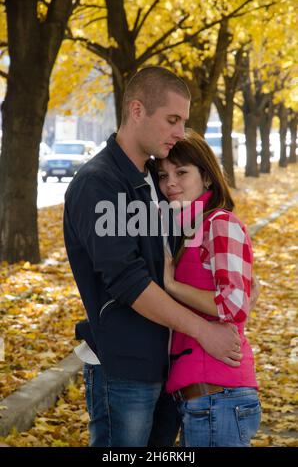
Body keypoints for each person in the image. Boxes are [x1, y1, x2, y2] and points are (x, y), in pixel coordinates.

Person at [63, 66, 250, 448]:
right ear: (136, 111)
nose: (181, 132)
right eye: (172, 120)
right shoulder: (99, 183)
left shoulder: (154, 179)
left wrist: (240, 295)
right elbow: (130, 282)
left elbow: (189, 258)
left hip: (169, 368)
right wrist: (205, 332)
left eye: (183, 121)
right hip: (125, 368)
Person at [156, 128, 261, 447]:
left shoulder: (219, 223)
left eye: (182, 172)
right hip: (204, 400)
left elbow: (233, 305)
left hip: (218, 399)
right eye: (163, 175)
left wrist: (171, 285)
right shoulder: (192, 230)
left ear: (208, 179)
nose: (170, 182)